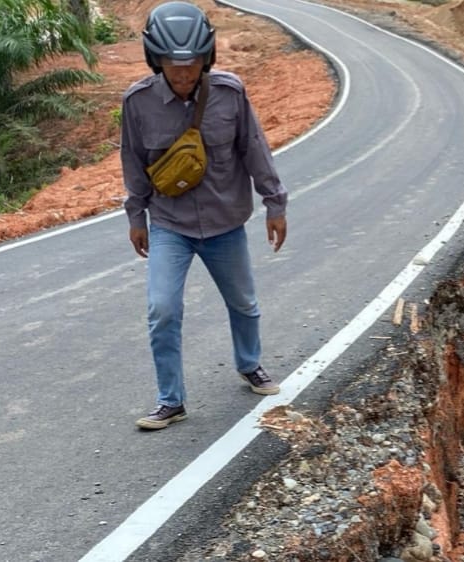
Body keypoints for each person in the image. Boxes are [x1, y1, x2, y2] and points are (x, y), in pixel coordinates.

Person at [121, 1, 288, 430]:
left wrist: (275, 202)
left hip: (225, 222)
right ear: (155, 60)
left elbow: (254, 148)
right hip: (169, 225)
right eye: (173, 65)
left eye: (191, 63)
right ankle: (170, 400)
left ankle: (250, 365)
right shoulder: (138, 104)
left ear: (206, 57)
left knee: (244, 303)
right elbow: (133, 161)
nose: (183, 73)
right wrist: (136, 216)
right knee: (162, 308)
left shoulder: (230, 94)